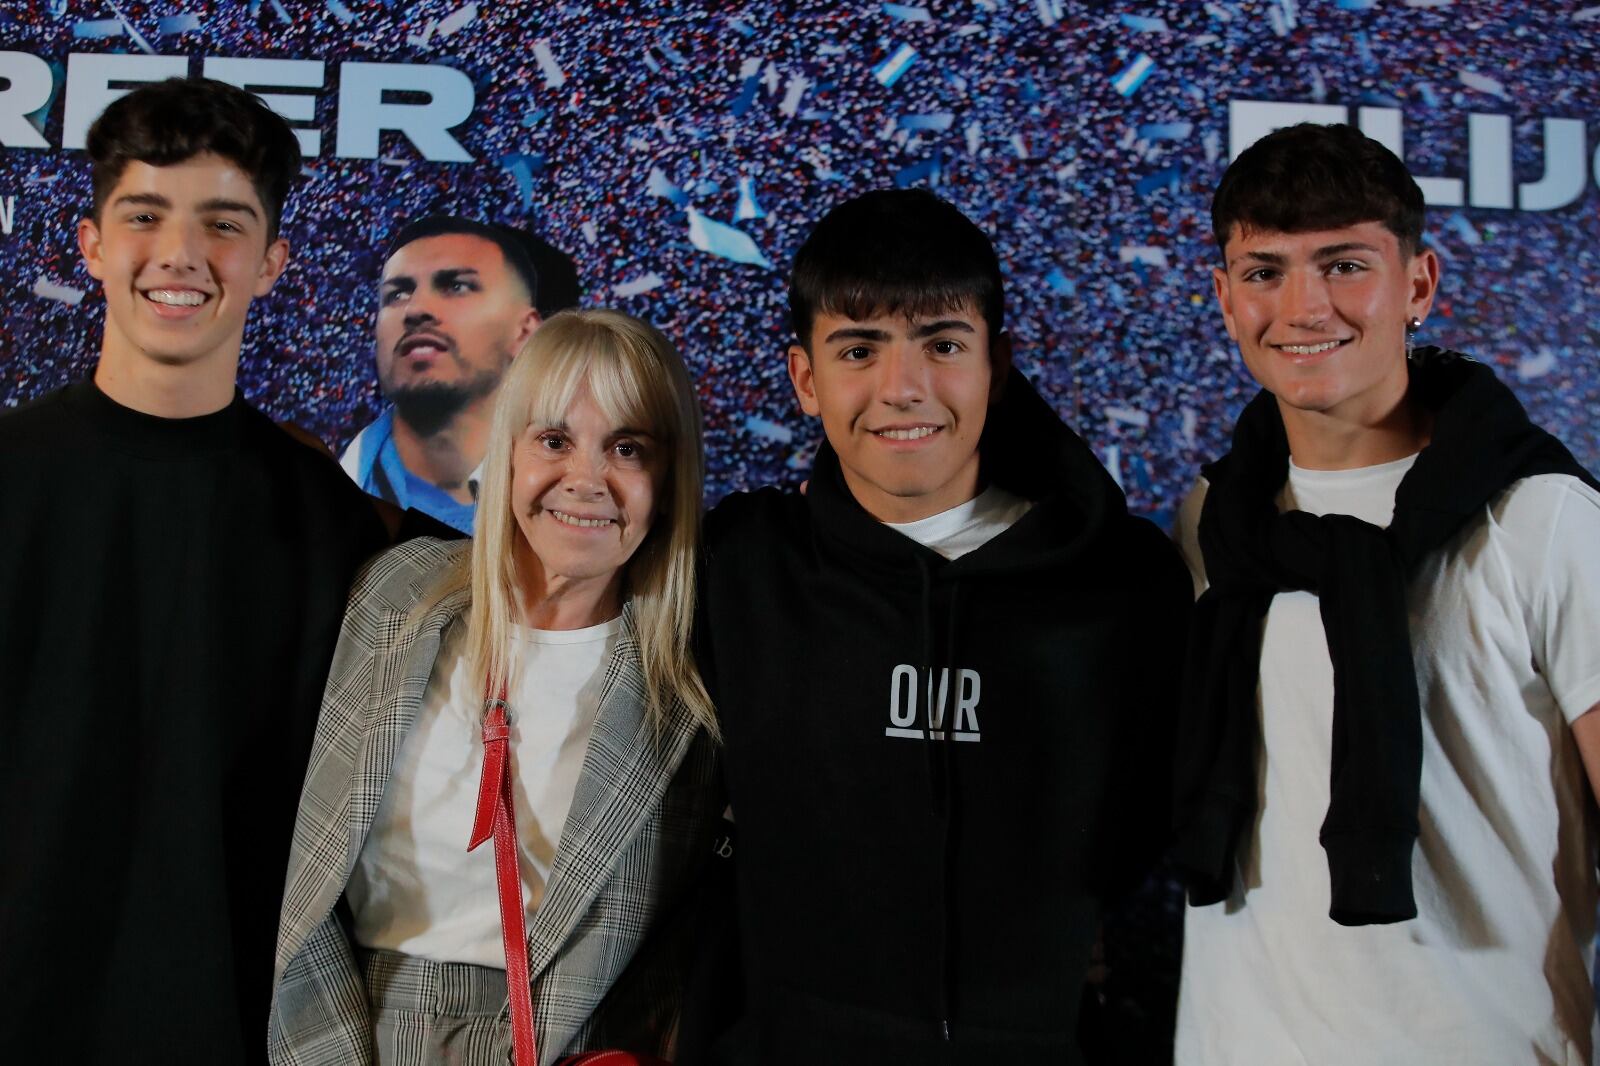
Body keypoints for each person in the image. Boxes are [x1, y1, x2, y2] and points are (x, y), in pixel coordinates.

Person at [687, 189, 1192, 1064]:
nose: (903, 388)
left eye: (943, 344)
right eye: (859, 348)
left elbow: (1151, 819)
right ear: (806, 380)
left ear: (997, 365)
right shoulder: (735, 568)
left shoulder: (1127, 583)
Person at [1172, 122, 1600, 1065]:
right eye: (1264, 271)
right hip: (1231, 1043)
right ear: (1224, 295)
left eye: (1343, 264)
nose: (1303, 305)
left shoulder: (1544, 519)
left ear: (1419, 283)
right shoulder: (1214, 520)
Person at [0, 78, 391, 1063]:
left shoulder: (333, 525)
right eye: (145, 214)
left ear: (271, 263)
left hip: (230, 1028)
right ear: (89, 244)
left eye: (223, 223)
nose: (179, 254)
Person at [271, 309, 722, 1064]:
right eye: (554, 440)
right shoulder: (395, 596)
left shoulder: (697, 676)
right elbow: (306, 888)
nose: (585, 478)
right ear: (507, 453)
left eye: (627, 447)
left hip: (583, 1048)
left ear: (668, 482)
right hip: (360, 1031)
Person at [340, 215, 579, 533]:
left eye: (457, 288)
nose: (417, 309)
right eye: (397, 294)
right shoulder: (329, 487)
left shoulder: (590, 499)